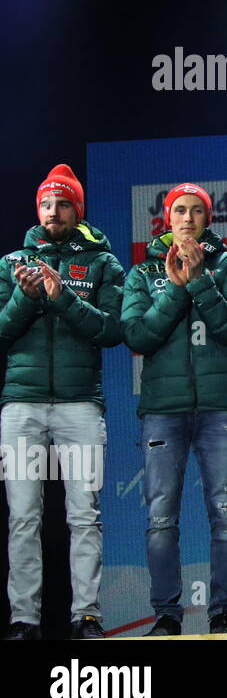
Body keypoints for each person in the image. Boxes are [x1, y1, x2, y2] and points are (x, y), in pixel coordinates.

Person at [121, 182, 227, 635]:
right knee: (160, 518)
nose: (188, 218)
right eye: (180, 210)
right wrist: (177, 289)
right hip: (162, 410)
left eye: (197, 211)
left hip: (218, 409)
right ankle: (166, 617)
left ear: (207, 219)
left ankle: (222, 615)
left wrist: (200, 281)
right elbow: (138, 337)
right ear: (166, 218)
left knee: (226, 515)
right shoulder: (142, 273)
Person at [0, 165, 124, 640]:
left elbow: (114, 330)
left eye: (63, 203)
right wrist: (26, 299)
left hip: (79, 406)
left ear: (78, 210)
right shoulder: (11, 262)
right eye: (47, 204)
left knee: (83, 515)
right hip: (22, 406)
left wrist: (61, 297)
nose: (53, 212)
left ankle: (86, 616)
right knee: (24, 517)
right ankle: (24, 619)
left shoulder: (102, 263)